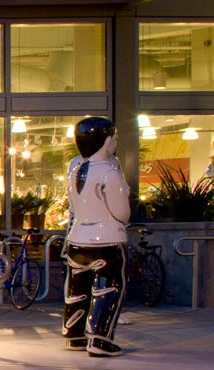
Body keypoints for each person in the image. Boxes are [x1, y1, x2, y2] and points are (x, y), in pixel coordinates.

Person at [62, 116, 130, 358]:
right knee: (107, 289)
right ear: (107, 140)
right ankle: (99, 340)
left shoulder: (75, 170)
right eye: (114, 139)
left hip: (77, 238)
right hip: (106, 241)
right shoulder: (110, 173)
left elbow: (71, 207)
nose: (115, 144)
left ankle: (74, 335)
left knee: (77, 289)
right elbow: (122, 212)